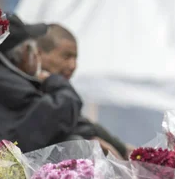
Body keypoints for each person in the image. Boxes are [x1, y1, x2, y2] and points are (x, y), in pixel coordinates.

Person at [0, 14, 82, 157]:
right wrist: (54, 81)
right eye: (34, 50)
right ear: (24, 53)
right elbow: (57, 116)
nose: (37, 57)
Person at [36, 23, 133, 159]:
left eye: (75, 58)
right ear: (40, 54)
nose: (73, 65)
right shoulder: (28, 89)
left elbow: (81, 124)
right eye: (66, 56)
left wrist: (122, 148)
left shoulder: (55, 89)